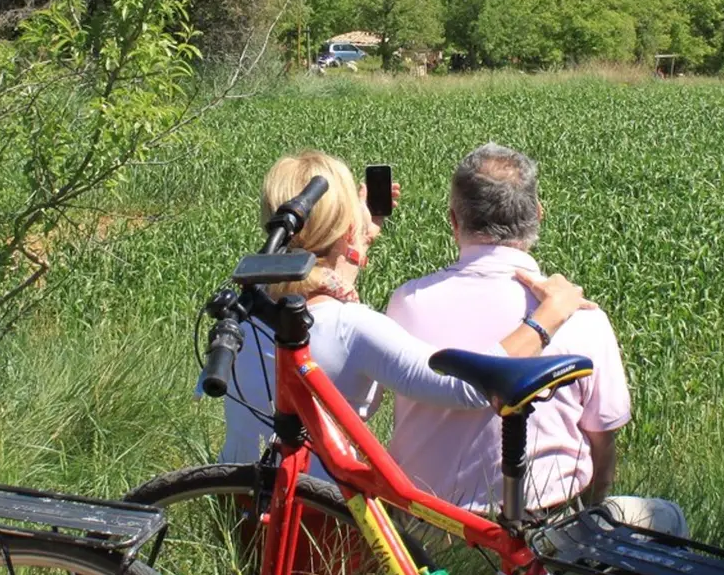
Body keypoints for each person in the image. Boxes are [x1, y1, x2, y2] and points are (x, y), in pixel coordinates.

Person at [219, 150, 595, 470]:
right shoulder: (351, 328)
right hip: (315, 522)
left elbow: (319, 285)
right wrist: (550, 315)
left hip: (242, 504)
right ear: (348, 227)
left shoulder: (244, 308)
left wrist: (356, 240)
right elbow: (466, 388)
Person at [385, 143, 686, 536]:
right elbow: (602, 441)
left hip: (427, 531)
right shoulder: (582, 317)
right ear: (537, 216)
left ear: (454, 221)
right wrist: (592, 507)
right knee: (667, 518)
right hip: (544, 530)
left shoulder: (408, 302)